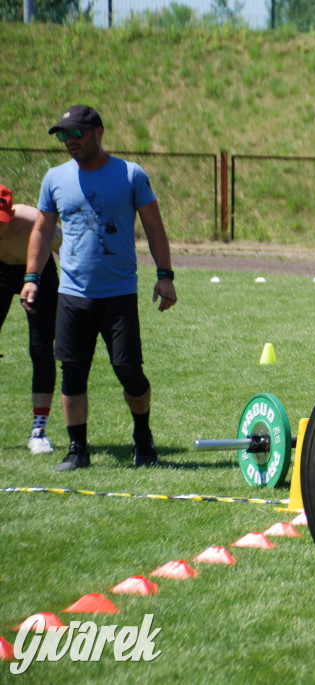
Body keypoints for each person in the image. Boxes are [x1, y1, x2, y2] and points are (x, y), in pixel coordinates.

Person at [20, 104, 177, 472]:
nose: (68, 142)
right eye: (63, 135)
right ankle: (78, 450)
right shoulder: (54, 178)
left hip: (119, 293)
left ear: (98, 133)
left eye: (76, 134)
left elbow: (154, 226)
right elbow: (42, 230)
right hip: (73, 295)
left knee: (128, 370)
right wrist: (31, 277)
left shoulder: (130, 175)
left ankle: (143, 437)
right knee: (72, 372)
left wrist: (164, 274)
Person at [0, 184, 59, 454]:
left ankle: (39, 429)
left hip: (38, 271)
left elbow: (69, 246)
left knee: (40, 347)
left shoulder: (32, 220)